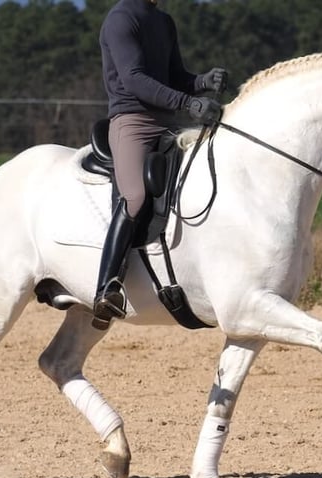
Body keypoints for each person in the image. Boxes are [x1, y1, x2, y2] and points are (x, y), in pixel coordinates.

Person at [92, 0, 228, 330]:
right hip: (132, 121)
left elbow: (175, 76)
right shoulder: (121, 19)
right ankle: (107, 287)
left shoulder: (164, 21)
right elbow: (135, 79)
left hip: (167, 123)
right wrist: (189, 102)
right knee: (136, 197)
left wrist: (201, 82)